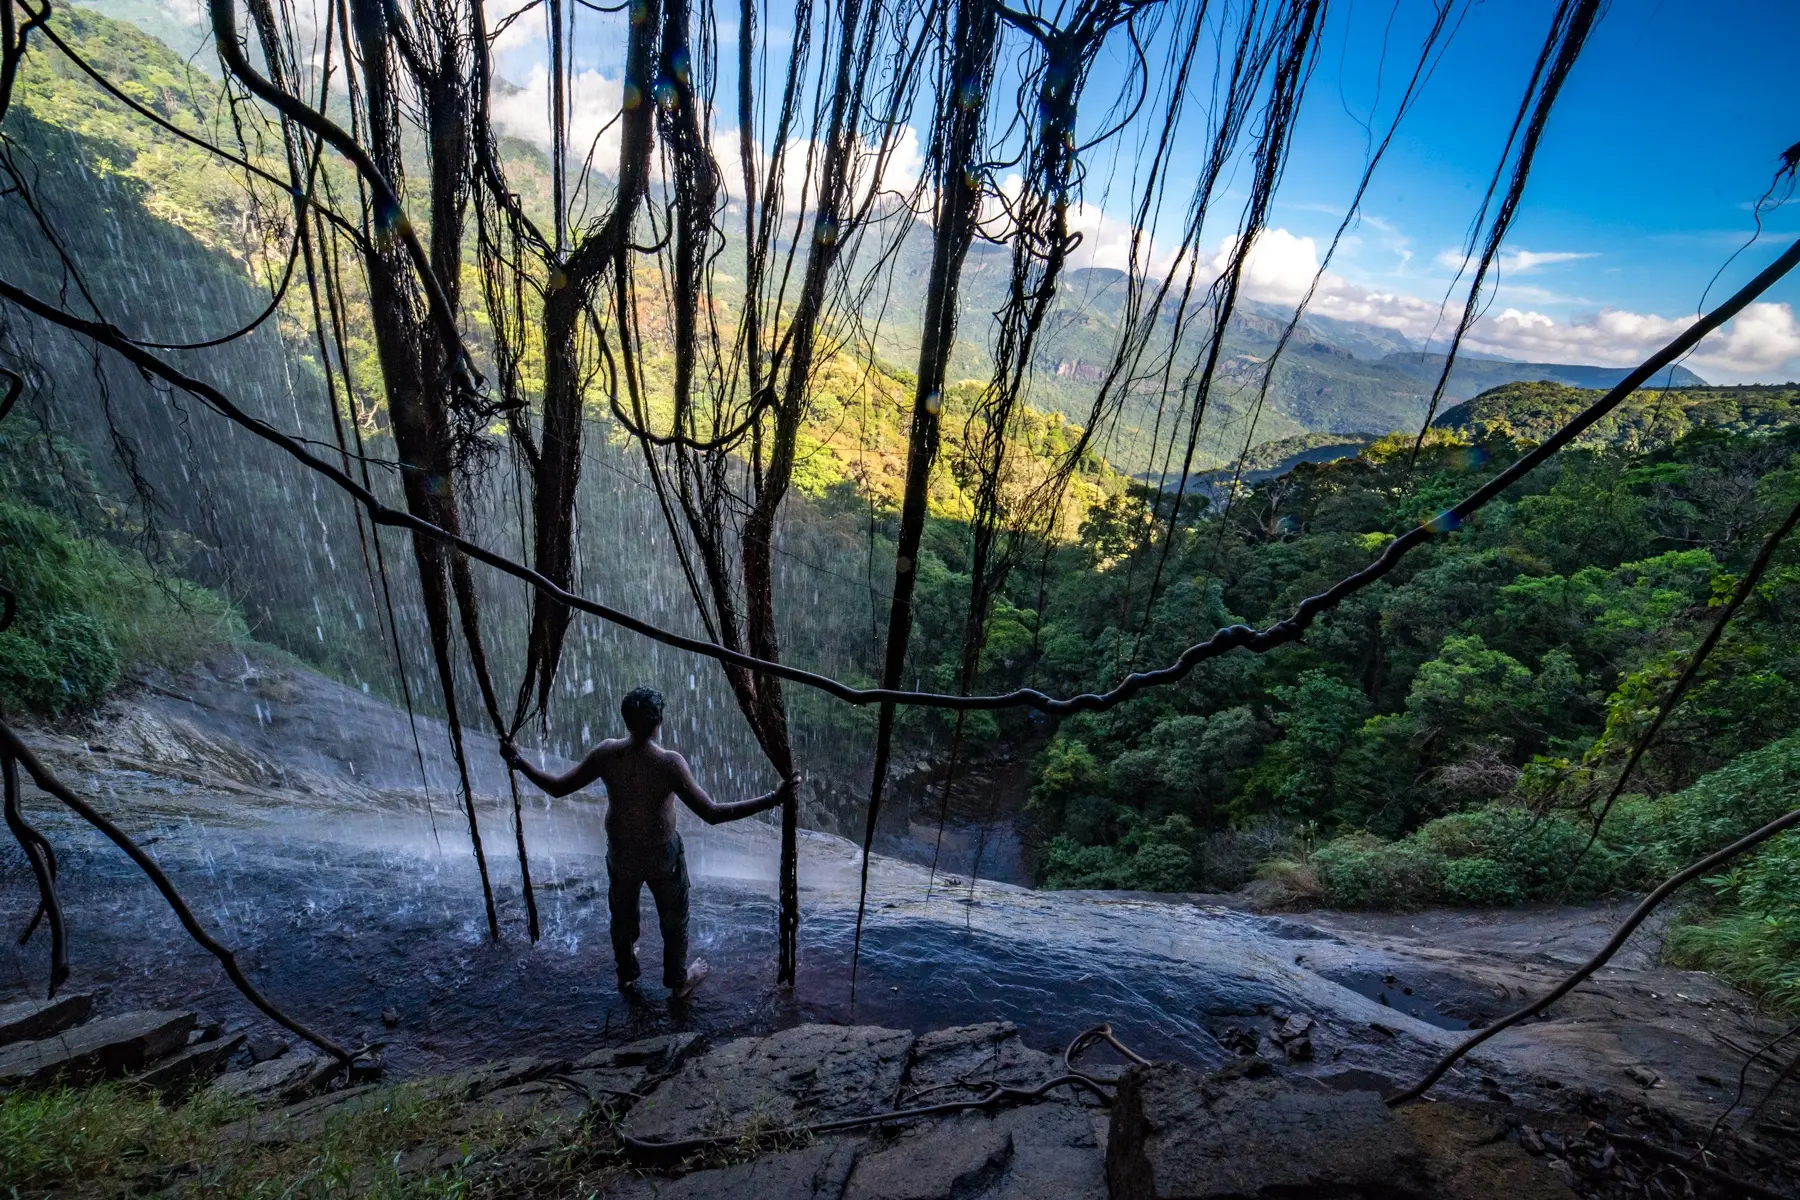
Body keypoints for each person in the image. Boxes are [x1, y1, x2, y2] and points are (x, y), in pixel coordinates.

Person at [501, 686, 791, 1000]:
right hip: (660, 854)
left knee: (622, 913)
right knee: (673, 917)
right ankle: (679, 982)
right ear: (658, 723)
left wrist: (520, 762)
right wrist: (773, 799)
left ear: (626, 720)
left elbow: (558, 788)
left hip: (622, 851)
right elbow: (711, 813)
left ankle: (626, 971)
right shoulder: (668, 763)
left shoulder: (607, 753)